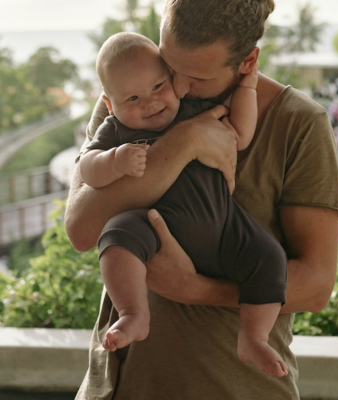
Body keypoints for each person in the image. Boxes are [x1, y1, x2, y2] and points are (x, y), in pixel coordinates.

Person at [66, 0, 338, 400]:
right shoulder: (134, 98)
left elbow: (316, 285)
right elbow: (81, 230)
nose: (175, 90)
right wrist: (180, 144)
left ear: (248, 61)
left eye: (196, 77)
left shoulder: (298, 123)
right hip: (121, 387)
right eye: (169, 65)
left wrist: (197, 290)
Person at [78, 31, 288, 377]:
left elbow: (241, 133)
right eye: (132, 97)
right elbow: (88, 168)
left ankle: (253, 336)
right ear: (111, 105)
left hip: (224, 226)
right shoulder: (115, 131)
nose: (150, 102)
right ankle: (134, 313)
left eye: (158, 86)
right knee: (116, 237)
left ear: (173, 79)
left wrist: (247, 87)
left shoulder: (193, 110)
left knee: (269, 258)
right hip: (154, 228)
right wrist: (114, 162)